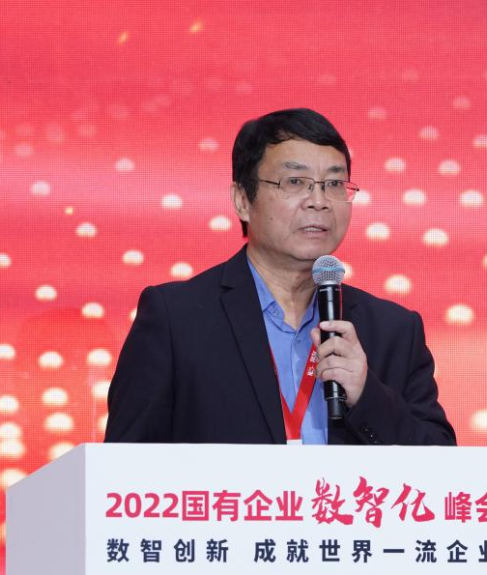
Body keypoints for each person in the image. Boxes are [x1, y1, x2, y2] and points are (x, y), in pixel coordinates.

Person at [105, 108, 455, 446]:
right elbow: (123, 466)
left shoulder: (394, 331)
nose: (319, 201)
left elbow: (442, 466)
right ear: (243, 200)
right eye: (295, 182)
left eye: (334, 183)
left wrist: (367, 396)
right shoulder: (177, 319)